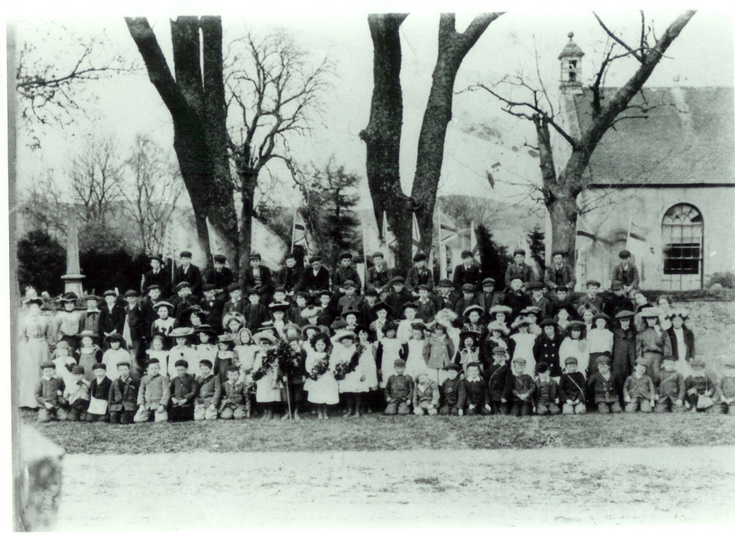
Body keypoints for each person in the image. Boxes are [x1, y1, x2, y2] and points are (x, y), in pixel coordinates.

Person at [19, 297, 51, 408]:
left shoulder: (44, 319)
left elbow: (48, 334)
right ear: (28, 309)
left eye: (37, 307)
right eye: (32, 307)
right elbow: (22, 336)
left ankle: (44, 400)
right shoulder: (24, 320)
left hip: (43, 346)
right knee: (31, 371)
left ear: (39, 308)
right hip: (31, 347)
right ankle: (30, 401)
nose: (35, 309)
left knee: (43, 370)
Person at [305, 332, 339, 419]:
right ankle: (319, 411)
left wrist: (330, 369)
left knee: (327, 392)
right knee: (318, 393)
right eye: (318, 344)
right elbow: (308, 366)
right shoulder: (312, 354)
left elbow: (333, 365)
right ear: (314, 345)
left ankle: (325, 411)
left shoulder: (329, 354)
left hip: (327, 376)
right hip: (317, 377)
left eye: (322, 344)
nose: (320, 346)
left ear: (326, 345)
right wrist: (314, 371)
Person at [636, 308, 671, 383]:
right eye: (649, 319)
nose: (651, 321)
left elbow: (667, 345)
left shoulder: (662, 331)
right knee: (646, 375)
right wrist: (640, 359)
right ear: (646, 320)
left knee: (658, 375)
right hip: (646, 356)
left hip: (658, 357)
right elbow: (639, 347)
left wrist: (666, 359)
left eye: (653, 319)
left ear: (656, 320)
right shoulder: (642, 332)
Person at [252, 331, 282, 419]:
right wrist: (255, 376)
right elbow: (256, 367)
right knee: (263, 394)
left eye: (265, 345)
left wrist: (274, 379)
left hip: (270, 376)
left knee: (271, 394)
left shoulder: (273, 355)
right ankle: (265, 411)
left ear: (269, 345)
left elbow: (276, 367)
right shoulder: (258, 355)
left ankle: (271, 411)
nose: (263, 347)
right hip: (262, 377)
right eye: (262, 345)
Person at [135, 358, 170, 423]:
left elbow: (166, 393)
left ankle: (158, 415)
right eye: (152, 368)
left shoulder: (163, 378)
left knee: (161, 420)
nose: (154, 370)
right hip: (147, 404)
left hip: (158, 404)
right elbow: (141, 392)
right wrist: (141, 405)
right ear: (147, 369)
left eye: (156, 368)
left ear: (159, 368)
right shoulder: (144, 379)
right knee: (137, 419)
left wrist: (162, 405)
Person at [375, 321, 405, 388]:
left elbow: (402, 354)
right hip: (386, 362)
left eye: (392, 331)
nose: (390, 333)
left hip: (395, 360)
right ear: (385, 333)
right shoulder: (382, 341)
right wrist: (379, 367)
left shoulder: (398, 341)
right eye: (388, 332)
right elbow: (379, 355)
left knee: (396, 376)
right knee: (386, 377)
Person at [122, 289, 145, 375]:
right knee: (128, 355)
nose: (131, 299)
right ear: (126, 299)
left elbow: (143, 321)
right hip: (127, 335)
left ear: (136, 298)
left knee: (135, 355)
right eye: (129, 298)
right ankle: (129, 373)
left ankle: (137, 374)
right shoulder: (125, 309)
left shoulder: (140, 308)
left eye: (133, 298)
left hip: (137, 336)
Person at [612, 310, 636, 382]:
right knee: (619, 377)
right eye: (623, 321)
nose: (625, 322)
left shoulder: (634, 332)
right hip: (619, 358)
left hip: (630, 358)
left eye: (627, 320)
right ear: (619, 321)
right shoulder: (615, 333)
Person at [486, 347, 509, 415]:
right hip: (492, 394)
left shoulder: (506, 368)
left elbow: (508, 384)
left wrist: (504, 396)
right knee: (492, 411)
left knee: (503, 412)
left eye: (501, 356)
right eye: (497, 356)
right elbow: (486, 380)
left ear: (504, 357)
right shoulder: (491, 367)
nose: (499, 358)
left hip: (502, 394)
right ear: (493, 356)